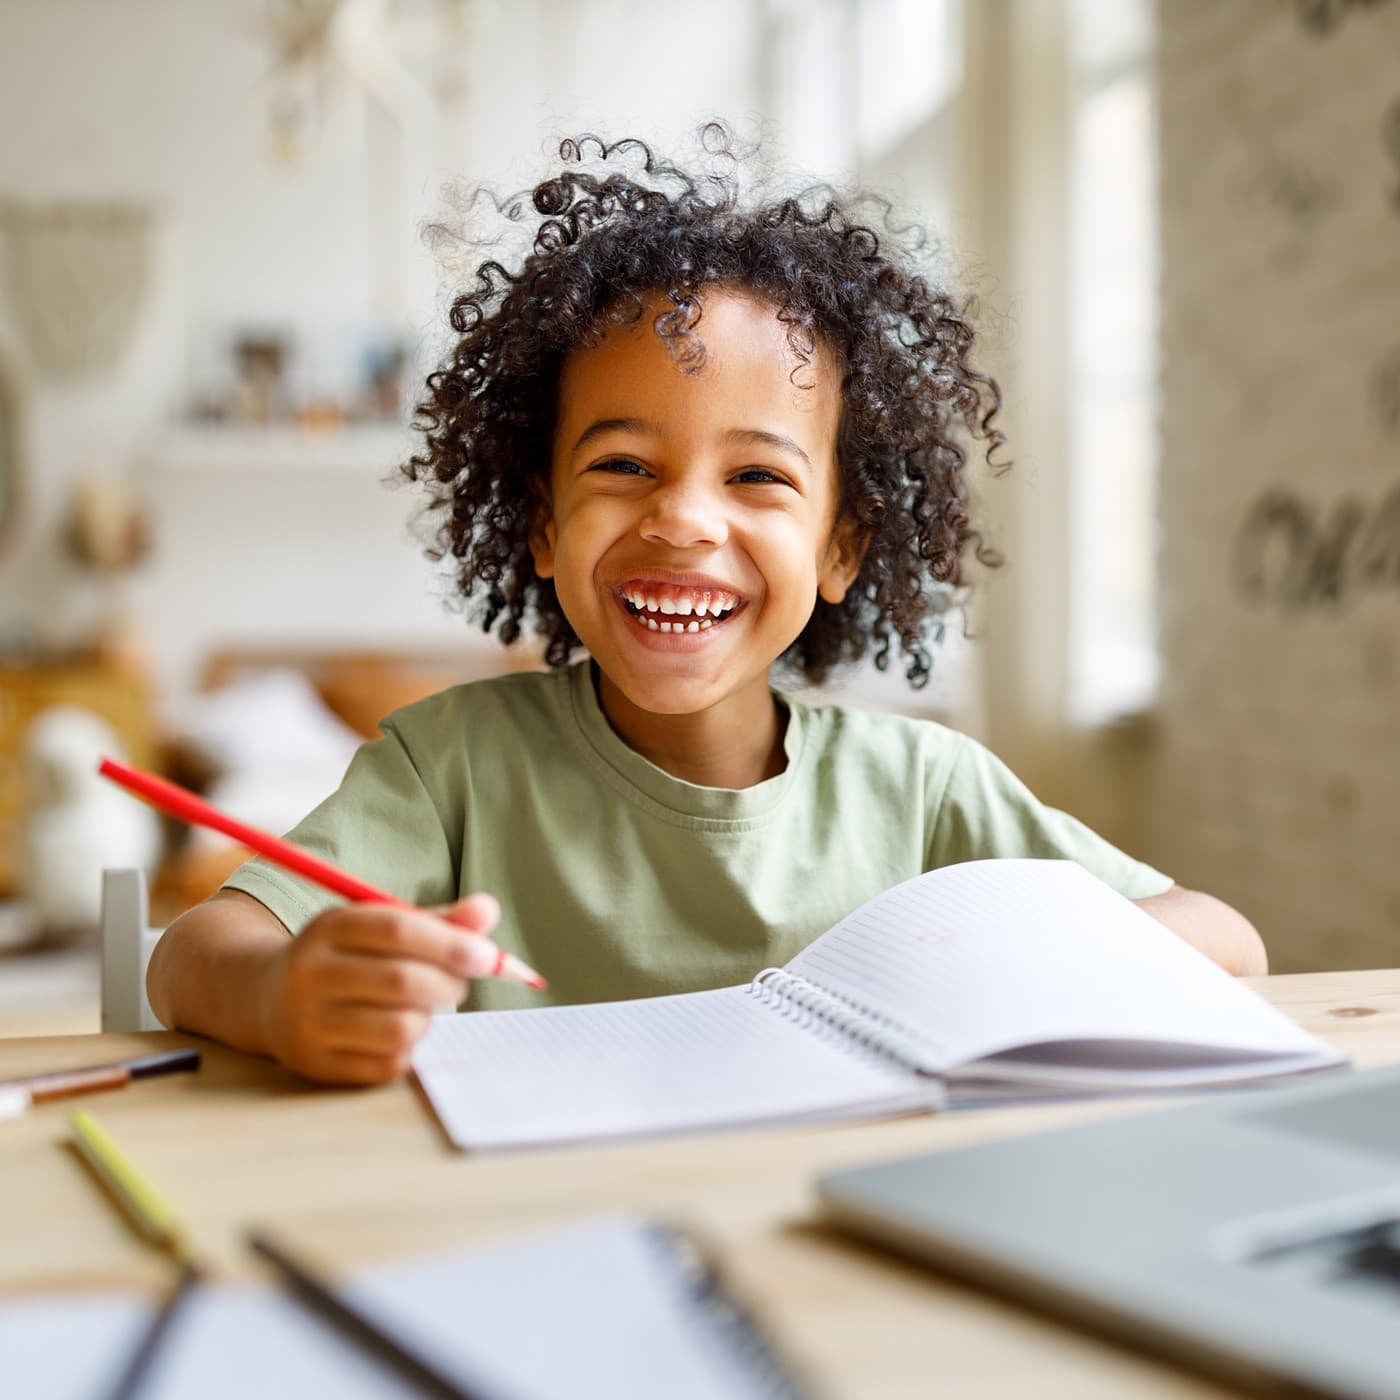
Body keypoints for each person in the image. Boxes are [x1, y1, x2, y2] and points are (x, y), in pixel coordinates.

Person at [147, 128, 1266, 1085]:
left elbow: (1225, 941)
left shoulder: (925, 788)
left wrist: (1007, 964)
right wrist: (281, 992)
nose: (682, 519)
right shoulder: (450, 769)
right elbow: (194, 951)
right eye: (623, 465)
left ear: (841, 546)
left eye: (758, 476)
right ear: (542, 523)